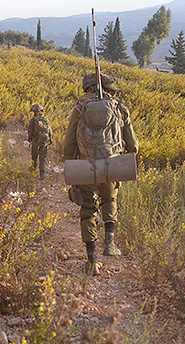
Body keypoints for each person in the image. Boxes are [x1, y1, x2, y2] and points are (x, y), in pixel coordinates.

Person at [62, 73, 138, 276]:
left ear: (87, 87)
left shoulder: (80, 107)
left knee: (88, 209)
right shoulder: (119, 107)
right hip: (111, 164)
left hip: (87, 165)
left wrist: (71, 161)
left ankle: (92, 261)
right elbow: (133, 144)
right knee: (110, 199)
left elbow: (69, 143)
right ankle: (110, 242)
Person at [27, 104, 52, 179]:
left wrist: (30, 139)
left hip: (35, 141)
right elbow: (49, 131)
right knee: (42, 157)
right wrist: (50, 139)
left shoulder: (32, 120)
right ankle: (42, 174)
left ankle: (33, 172)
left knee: (34, 156)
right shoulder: (45, 120)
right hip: (44, 141)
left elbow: (30, 132)